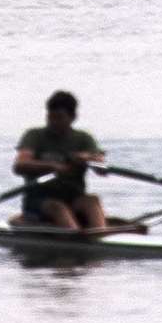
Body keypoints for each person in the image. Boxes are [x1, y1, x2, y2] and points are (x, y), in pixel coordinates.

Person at [11, 90, 106, 230]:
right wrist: (54, 167)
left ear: (73, 117)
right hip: (39, 200)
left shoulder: (83, 138)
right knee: (58, 207)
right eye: (50, 117)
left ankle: (99, 239)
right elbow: (19, 165)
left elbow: (102, 169)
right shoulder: (34, 135)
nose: (53, 122)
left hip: (74, 198)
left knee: (92, 200)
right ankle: (75, 240)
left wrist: (88, 158)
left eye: (59, 118)